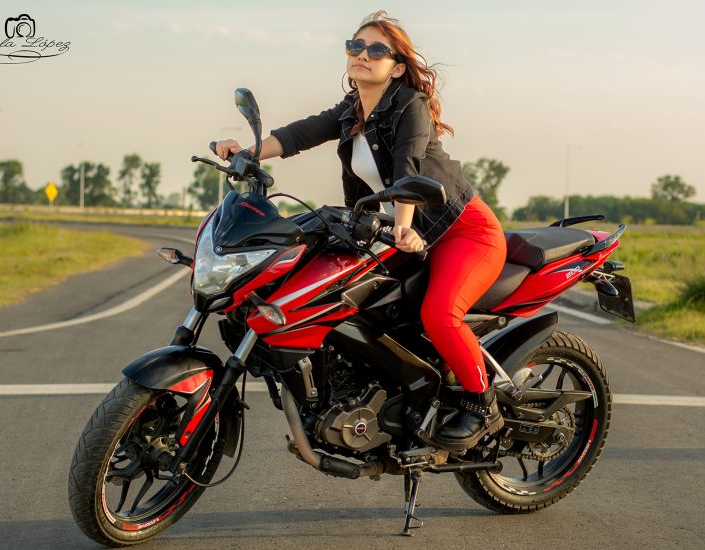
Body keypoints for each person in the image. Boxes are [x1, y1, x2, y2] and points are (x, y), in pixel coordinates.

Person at [215, 11, 507, 449]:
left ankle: (483, 404)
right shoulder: (352, 109)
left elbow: (408, 168)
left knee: (439, 314)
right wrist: (249, 152)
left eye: (376, 50)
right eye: (355, 46)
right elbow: (300, 134)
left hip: (460, 232)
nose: (362, 55)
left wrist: (403, 226)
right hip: (395, 234)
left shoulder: (410, 104)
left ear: (398, 67)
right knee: (338, 295)